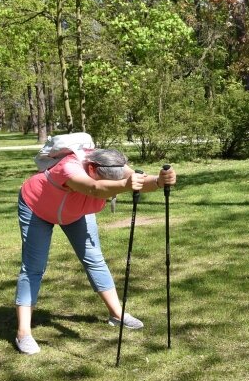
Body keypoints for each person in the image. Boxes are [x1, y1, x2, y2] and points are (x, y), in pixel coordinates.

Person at [14, 148, 177, 355]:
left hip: (76, 212)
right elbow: (95, 188)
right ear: (92, 168)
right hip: (37, 206)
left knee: (94, 259)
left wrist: (159, 181)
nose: (115, 192)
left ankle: (117, 314)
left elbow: (136, 179)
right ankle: (23, 333)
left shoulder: (112, 163)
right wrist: (123, 185)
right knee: (34, 267)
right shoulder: (69, 168)